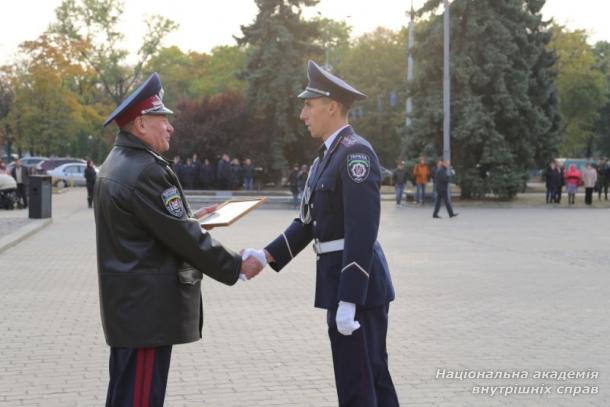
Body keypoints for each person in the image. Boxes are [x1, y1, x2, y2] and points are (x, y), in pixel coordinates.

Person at [94, 72, 262, 407]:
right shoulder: (146, 170)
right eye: (162, 119)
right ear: (141, 124)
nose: (170, 127)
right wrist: (237, 265)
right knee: (140, 400)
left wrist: (193, 220)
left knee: (124, 395)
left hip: (130, 309)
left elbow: (152, 226)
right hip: (146, 314)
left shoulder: (117, 163)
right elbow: (184, 238)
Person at [244, 61, 399, 406]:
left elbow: (362, 229)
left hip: (357, 289)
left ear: (331, 107)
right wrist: (266, 256)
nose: (302, 114)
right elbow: (309, 223)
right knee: (363, 379)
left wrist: (350, 299)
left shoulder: (354, 153)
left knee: (361, 384)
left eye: (308, 105)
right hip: (341, 286)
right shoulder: (326, 157)